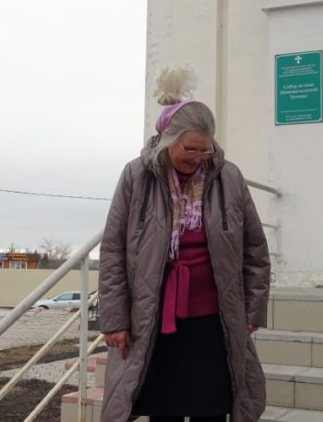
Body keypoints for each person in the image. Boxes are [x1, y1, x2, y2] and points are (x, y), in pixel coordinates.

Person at [98, 68, 271, 422]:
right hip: (155, 320)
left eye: (205, 151)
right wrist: (115, 320)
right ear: (167, 140)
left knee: (212, 410)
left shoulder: (229, 177)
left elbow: (255, 250)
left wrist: (253, 311)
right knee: (164, 411)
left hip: (214, 320)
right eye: (190, 149)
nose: (198, 158)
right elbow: (113, 251)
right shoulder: (136, 176)